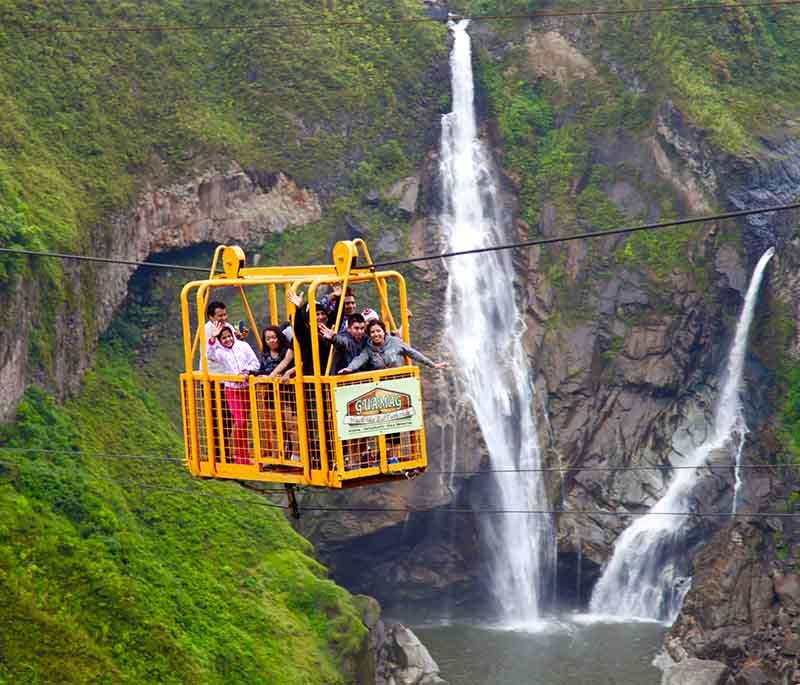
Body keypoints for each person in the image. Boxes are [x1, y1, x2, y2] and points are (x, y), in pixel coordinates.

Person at [206, 321, 260, 464]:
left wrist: (246, 371)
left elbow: (255, 363)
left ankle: (245, 456)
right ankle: (240, 457)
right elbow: (209, 355)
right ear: (220, 340)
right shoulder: (220, 352)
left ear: (233, 335)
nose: (227, 340)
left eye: (229, 336)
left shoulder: (243, 346)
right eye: (223, 338)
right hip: (232, 390)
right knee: (240, 421)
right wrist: (212, 338)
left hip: (247, 389)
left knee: (244, 422)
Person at [254, 325, 300, 462]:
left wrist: (282, 375)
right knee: (274, 425)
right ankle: (276, 455)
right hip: (271, 392)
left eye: (274, 337)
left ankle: (296, 455)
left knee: (291, 424)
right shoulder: (265, 354)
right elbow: (262, 370)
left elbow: (293, 366)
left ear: (279, 338)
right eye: (268, 338)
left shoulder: (286, 352)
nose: (272, 341)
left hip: (286, 391)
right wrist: (252, 374)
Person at [339, 319, 448, 373]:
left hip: (400, 382)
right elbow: (359, 359)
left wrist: (432, 364)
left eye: (378, 331)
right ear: (369, 335)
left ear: (384, 331)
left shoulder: (395, 342)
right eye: (372, 332)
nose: (376, 334)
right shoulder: (368, 349)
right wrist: (349, 368)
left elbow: (413, 353)